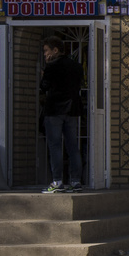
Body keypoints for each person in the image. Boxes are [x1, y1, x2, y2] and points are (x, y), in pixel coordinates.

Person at [39, 36, 85, 192]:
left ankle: (57, 181)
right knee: (73, 146)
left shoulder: (52, 67)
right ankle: (76, 181)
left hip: (54, 111)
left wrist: (45, 71)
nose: (45, 54)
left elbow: (44, 86)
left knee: (55, 146)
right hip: (72, 110)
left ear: (55, 50)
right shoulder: (77, 66)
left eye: (46, 50)